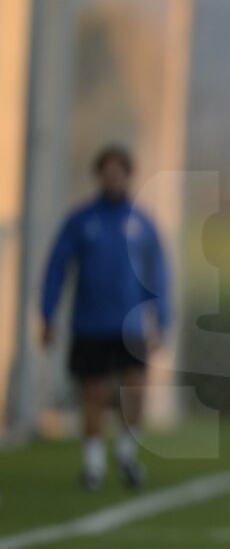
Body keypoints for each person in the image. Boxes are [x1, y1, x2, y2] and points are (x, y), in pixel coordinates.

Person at [40, 144, 170, 490]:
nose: (113, 178)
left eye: (119, 172)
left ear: (128, 175)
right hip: (91, 323)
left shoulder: (142, 222)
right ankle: (93, 464)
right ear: (99, 176)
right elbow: (57, 268)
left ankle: (127, 455)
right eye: (107, 172)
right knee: (94, 393)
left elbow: (158, 275)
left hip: (133, 326)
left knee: (136, 393)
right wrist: (47, 313)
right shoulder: (81, 221)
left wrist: (163, 320)